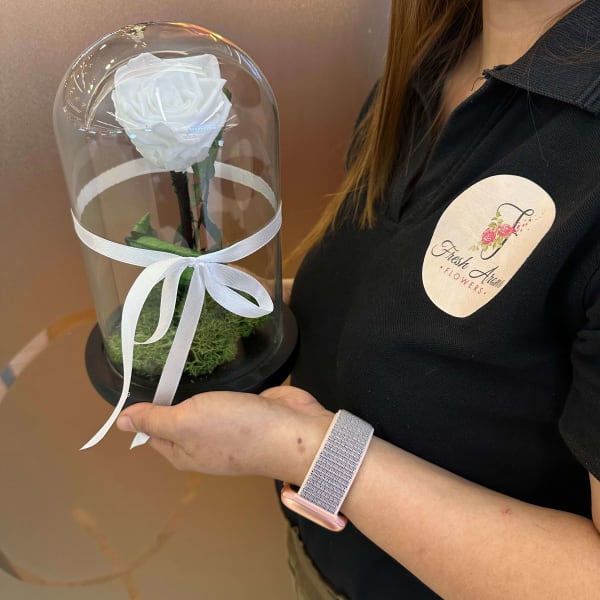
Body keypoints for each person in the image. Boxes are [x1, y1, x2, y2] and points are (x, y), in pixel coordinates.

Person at [116, 0, 600, 597]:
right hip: (321, 563)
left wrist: (305, 452)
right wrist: (228, 311)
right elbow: (410, 310)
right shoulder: (426, 72)